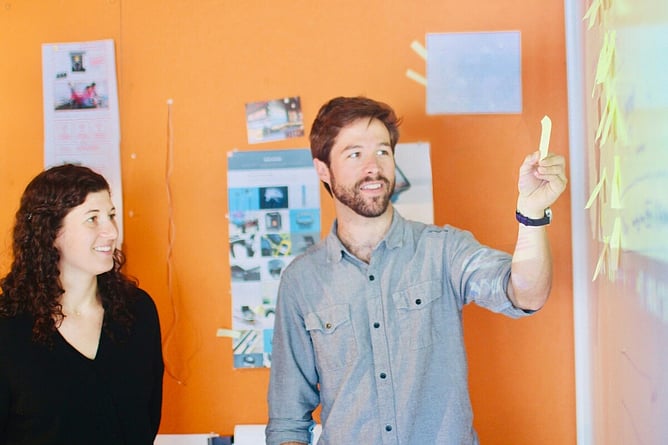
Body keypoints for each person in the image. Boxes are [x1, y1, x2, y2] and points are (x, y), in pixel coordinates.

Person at [266, 96, 568, 445]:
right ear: (323, 169)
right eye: (354, 154)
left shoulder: (443, 250)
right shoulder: (301, 281)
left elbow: (525, 294)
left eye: (383, 151)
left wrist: (531, 213)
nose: (373, 167)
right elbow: (288, 421)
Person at [0, 164, 164, 445]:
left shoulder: (138, 311)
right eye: (92, 219)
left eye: (111, 216)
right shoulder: (8, 328)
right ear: (51, 232)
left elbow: (146, 420)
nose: (111, 231)